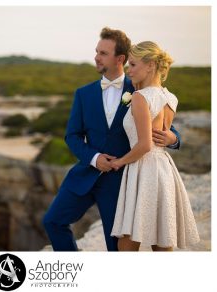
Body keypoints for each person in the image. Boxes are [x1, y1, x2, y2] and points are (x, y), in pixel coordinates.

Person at [43, 27, 181, 251]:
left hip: (122, 181)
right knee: (52, 221)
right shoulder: (83, 94)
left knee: (115, 245)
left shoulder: (139, 90)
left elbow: (163, 128)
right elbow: (72, 136)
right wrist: (94, 158)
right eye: (97, 51)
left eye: (103, 53)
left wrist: (173, 137)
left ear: (120, 59)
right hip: (86, 173)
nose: (96, 57)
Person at [110, 41, 200, 251]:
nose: (128, 70)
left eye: (132, 65)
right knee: (162, 238)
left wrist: (119, 162)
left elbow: (144, 145)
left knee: (128, 240)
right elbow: (159, 135)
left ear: (150, 65)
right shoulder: (171, 97)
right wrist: (171, 139)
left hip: (143, 168)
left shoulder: (141, 97)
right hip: (164, 169)